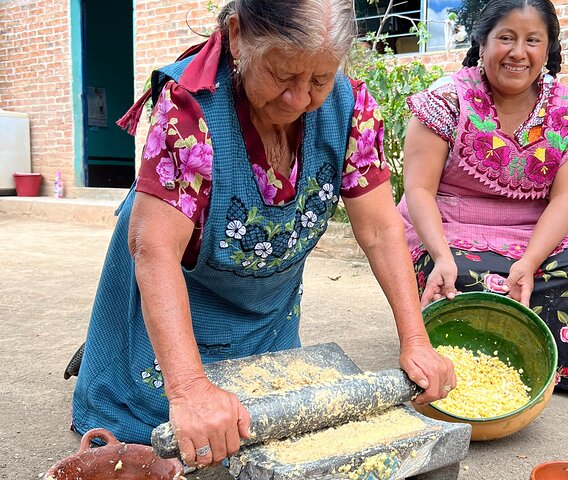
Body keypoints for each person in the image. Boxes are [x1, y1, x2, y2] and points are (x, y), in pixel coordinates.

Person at [71, 0, 455, 468]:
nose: (298, 101)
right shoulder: (190, 107)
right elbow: (153, 248)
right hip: (177, 295)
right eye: (281, 75)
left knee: (270, 421)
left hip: (266, 320)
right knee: (169, 433)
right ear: (237, 36)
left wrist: (416, 339)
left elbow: (378, 229)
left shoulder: (350, 107)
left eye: (318, 80)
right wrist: (189, 388)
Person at [397, 0, 568, 393]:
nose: (518, 52)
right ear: (482, 42)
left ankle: (548, 368)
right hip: (448, 224)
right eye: (506, 38)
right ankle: (453, 367)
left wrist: (529, 262)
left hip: (532, 232)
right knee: (459, 273)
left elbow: (565, 200)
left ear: (548, 49)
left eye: (533, 40)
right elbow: (419, 189)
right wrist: (441, 255)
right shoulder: (447, 99)